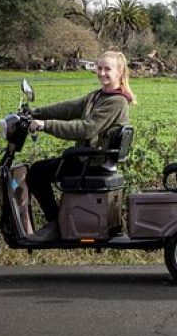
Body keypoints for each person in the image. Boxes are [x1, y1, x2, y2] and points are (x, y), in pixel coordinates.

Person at [26, 50, 136, 241]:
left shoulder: (117, 101)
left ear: (119, 72)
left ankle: (55, 225)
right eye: (98, 68)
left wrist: (46, 125)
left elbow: (86, 129)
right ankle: (59, 223)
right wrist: (37, 112)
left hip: (92, 162)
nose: (101, 73)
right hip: (88, 158)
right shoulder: (98, 96)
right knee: (41, 170)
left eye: (107, 69)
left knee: (36, 173)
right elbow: (70, 108)